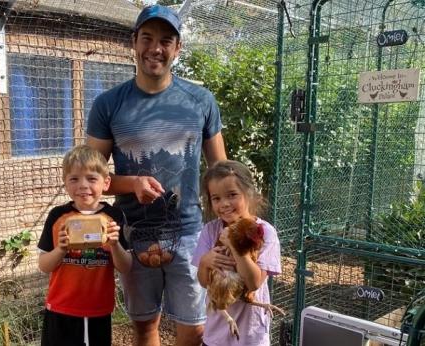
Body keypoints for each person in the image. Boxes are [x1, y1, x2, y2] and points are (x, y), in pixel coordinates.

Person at [86, 4, 227, 345]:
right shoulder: (108, 104)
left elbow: (221, 172)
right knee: (145, 326)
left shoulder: (200, 100)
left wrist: (230, 228)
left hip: (190, 234)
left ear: (177, 48)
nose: (155, 48)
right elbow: (92, 179)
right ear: (134, 42)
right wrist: (132, 183)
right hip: (135, 235)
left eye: (166, 40)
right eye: (147, 38)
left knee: (193, 328)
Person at [37, 145, 132, 346]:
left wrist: (115, 245)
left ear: (106, 183)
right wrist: (61, 250)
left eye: (91, 178)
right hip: (61, 309)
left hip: (98, 310)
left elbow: (126, 266)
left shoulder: (114, 216)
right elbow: (44, 265)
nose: (82, 185)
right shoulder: (57, 216)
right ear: (65, 183)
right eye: (74, 179)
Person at [192, 160, 281, 346]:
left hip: (251, 335)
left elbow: (254, 283)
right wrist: (205, 262)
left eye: (232, 195)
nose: (224, 204)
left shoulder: (264, 232)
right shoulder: (210, 230)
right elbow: (203, 281)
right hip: (216, 334)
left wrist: (233, 244)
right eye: (216, 198)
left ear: (249, 194)